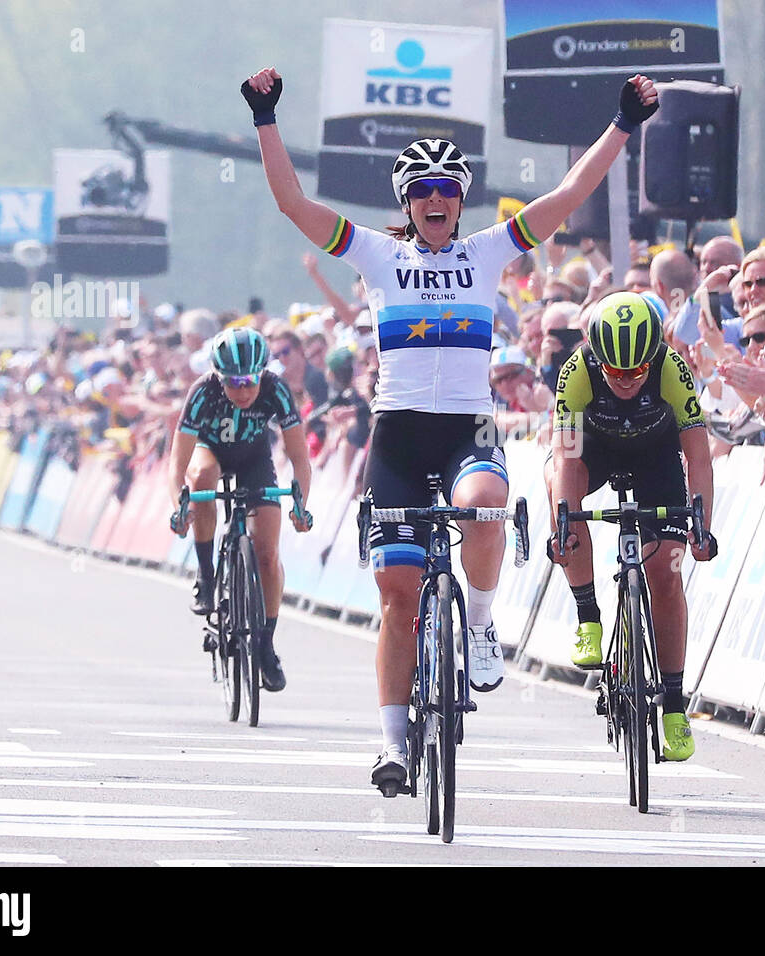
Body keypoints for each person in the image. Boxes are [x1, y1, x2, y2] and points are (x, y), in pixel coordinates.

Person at [242, 66, 661, 792]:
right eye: (422, 190)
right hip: (398, 434)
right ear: (407, 203)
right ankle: (393, 747)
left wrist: (622, 123)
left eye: (446, 189)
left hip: (470, 426)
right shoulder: (377, 254)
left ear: (461, 201)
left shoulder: (487, 251)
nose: (435, 199)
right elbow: (291, 203)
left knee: (486, 504)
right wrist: (265, 118)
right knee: (398, 595)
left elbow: (569, 195)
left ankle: (481, 620)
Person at [547, 291, 716, 761]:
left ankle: (675, 707)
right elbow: (566, 456)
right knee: (558, 491)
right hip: (594, 451)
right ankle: (588, 616)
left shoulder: (671, 367)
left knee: (665, 573)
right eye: (615, 371)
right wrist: (565, 521)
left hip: (655, 457)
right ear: (597, 357)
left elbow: (698, 456)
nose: (626, 380)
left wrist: (702, 524)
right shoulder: (576, 371)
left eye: (637, 370)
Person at [168, 327, 314, 693]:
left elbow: (299, 457)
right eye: (233, 383)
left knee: (267, 554)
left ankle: (266, 643)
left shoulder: (276, 388)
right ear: (218, 376)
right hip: (209, 452)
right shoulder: (202, 391)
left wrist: (301, 505)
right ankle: (206, 574)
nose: (244, 391)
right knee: (201, 477)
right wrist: (179, 507)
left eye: (250, 381)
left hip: (254, 460)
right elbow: (178, 464)